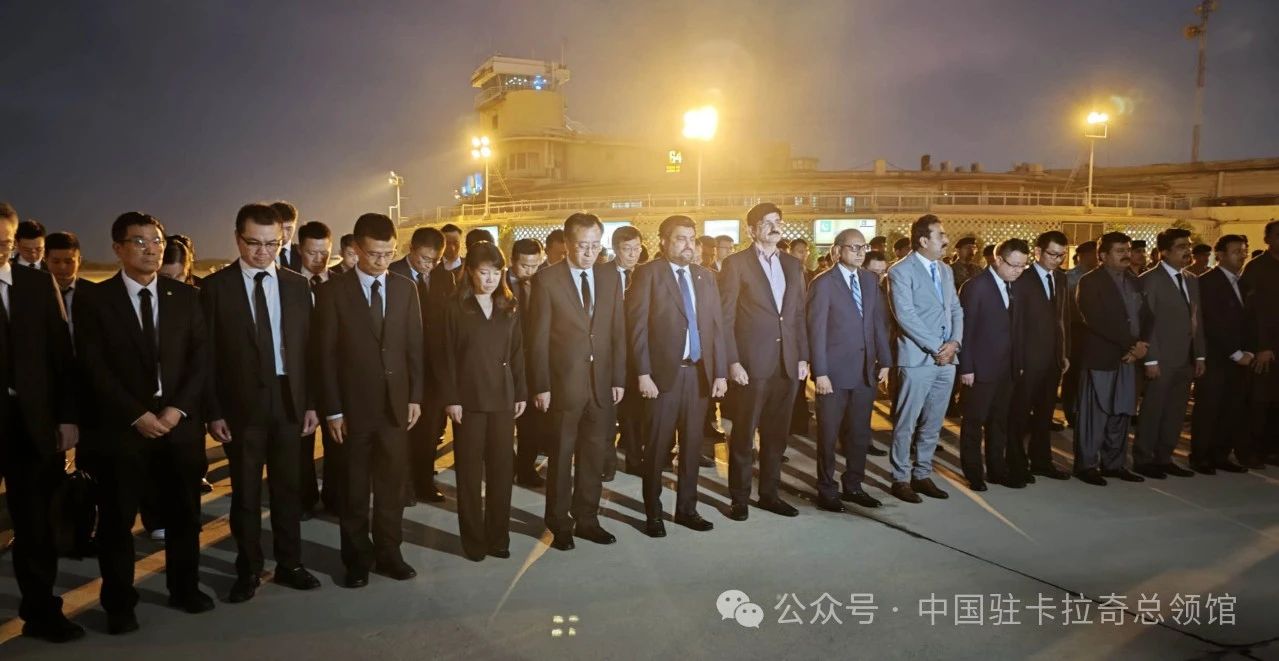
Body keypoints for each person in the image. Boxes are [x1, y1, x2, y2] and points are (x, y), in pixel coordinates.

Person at [76, 212, 214, 634]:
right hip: (122, 432)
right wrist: (137, 415)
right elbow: (93, 367)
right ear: (117, 248)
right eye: (139, 242)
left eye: (156, 240)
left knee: (185, 516)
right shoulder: (95, 300)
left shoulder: (185, 297)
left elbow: (201, 361)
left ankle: (184, 587)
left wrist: (176, 412)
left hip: (179, 429)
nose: (151, 248)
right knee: (118, 521)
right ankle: (119, 604)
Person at [202, 203, 321, 602]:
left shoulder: (296, 285)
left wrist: (311, 404)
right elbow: (208, 357)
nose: (263, 252)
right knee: (246, 495)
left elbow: (310, 351)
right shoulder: (216, 288)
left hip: (289, 401)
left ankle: (290, 564)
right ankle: (248, 569)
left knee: (289, 491)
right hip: (241, 409)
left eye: (273, 243)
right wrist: (214, 411)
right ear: (238, 238)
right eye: (254, 243)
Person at [314, 213, 424, 588]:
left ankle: (390, 554)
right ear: (357, 249)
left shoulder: (405, 288)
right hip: (351, 410)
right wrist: (332, 409)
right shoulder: (332, 292)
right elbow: (324, 356)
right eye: (375, 254)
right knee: (354, 490)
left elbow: (414, 347)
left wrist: (415, 398)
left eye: (389, 253)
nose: (382, 261)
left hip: (395, 407)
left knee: (392, 488)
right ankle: (357, 559)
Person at [0, 209, 82, 642]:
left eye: (5, 241)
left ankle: (41, 612)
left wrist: (68, 417)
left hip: (34, 425)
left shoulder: (35, 283)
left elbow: (61, 357)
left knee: (36, 526)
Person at [527, 213, 626, 550]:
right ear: (567, 244)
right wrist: (541, 385)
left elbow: (617, 331)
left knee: (594, 455)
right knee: (560, 455)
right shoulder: (547, 280)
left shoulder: (610, 277)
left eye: (595, 245)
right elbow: (537, 339)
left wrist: (617, 377)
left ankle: (587, 519)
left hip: (601, 384)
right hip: (563, 385)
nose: (589, 252)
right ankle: (558, 523)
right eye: (582, 245)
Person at [627, 215, 727, 536]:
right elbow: (637, 330)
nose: (688, 245)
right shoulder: (648, 275)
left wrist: (719, 372)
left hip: (697, 376)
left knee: (692, 447)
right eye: (681, 238)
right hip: (661, 378)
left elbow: (715, 328)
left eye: (691, 238)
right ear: (664, 242)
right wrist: (643, 373)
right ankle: (653, 513)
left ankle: (687, 508)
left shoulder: (705, 277)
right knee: (656, 449)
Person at [719, 202, 809, 520]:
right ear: (751, 230)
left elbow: (798, 315)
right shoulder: (736, 264)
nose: (775, 226)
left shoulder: (793, 265)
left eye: (778, 221)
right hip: (751, 366)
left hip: (787, 365)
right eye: (767, 222)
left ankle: (769, 494)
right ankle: (740, 498)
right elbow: (725, 318)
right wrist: (732, 362)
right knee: (744, 435)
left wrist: (803, 357)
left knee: (776, 436)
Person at [442, 241, 527, 561]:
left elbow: (518, 352)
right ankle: (473, 540)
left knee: (502, 472)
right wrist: (451, 398)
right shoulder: (455, 307)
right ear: (470, 272)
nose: (490, 279)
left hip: (503, 399)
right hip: (469, 401)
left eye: (496, 272)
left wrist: (521, 391)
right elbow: (446, 356)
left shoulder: (509, 304)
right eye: (483, 272)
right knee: (468, 473)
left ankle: (499, 537)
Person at [806, 228, 890, 510]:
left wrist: (886, 362)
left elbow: (879, 324)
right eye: (853, 247)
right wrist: (821, 373)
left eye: (862, 247)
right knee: (828, 435)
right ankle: (826, 489)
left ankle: (853, 485)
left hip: (865, 372)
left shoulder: (869, 280)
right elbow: (815, 331)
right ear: (837, 251)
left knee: (859, 435)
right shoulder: (823, 283)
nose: (859, 252)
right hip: (834, 375)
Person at [885, 214, 963, 503]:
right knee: (907, 421)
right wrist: (937, 347)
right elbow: (905, 316)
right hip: (918, 359)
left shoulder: (945, 270)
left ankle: (922, 474)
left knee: (933, 421)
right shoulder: (900, 271)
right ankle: (900, 478)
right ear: (923, 240)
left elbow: (956, 309)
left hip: (947, 359)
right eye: (940, 234)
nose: (945, 239)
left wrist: (954, 343)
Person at [1072, 232, 1148, 486]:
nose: (1126, 254)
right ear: (1103, 256)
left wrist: (1142, 345)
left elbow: (1148, 315)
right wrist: (1131, 345)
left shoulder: (1134, 280)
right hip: (1102, 357)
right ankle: (1086, 465)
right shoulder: (1090, 281)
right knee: (1096, 414)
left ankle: (1114, 464)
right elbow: (1095, 319)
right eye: (1119, 250)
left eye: (1127, 249)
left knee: (1122, 412)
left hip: (1129, 359)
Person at [957, 239, 1029, 491]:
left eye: (1023, 266)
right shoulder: (975, 287)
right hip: (979, 369)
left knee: (999, 422)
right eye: (1014, 265)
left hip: (1007, 369)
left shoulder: (1015, 287)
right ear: (998, 260)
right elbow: (965, 330)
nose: (1018, 270)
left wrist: (1018, 363)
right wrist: (966, 367)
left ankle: (997, 469)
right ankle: (973, 472)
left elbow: (1018, 330)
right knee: (974, 422)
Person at [1133, 228, 1204, 479]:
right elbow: (1147, 323)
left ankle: (1164, 457)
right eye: (1181, 246)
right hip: (1160, 359)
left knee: (1175, 410)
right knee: (1153, 410)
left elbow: (1197, 321)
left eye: (1189, 245)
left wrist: (1200, 355)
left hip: (1185, 357)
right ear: (1164, 251)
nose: (1188, 250)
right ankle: (1143, 458)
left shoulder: (1192, 279)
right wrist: (1150, 359)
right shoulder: (1151, 280)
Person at [389, 227, 450, 504]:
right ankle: (401, 487)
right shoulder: (391, 274)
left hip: (434, 370)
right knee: (400, 432)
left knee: (428, 433)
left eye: (435, 260)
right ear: (411, 249)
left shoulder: (444, 277)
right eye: (425, 259)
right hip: (400, 368)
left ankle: (424, 483)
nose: (429, 266)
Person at [1007, 231, 1072, 484]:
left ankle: (1042, 461)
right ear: (1037, 252)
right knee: (1019, 414)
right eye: (1052, 254)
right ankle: (1015, 463)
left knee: (1045, 415)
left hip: (1053, 360)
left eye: (1061, 255)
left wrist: (1064, 352)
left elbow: (1063, 319)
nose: (1057, 259)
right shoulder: (1022, 278)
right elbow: (1015, 323)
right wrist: (1018, 360)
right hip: (1027, 361)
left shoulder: (1062, 279)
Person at [1189, 234, 1252, 473]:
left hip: (1241, 358)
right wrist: (1235, 352)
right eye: (1236, 251)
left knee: (1232, 407)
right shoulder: (1207, 282)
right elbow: (1211, 322)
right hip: (1215, 357)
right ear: (1221, 255)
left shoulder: (1243, 282)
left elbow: (1249, 320)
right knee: (1209, 407)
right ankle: (1201, 456)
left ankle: (1221, 454)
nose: (1242, 255)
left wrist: (1248, 350)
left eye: (1244, 251)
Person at [295, 220, 337, 514]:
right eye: (312, 253)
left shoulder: (339, 284)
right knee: (302, 445)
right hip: (301, 377)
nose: (319, 259)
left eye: (324, 253)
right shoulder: (287, 285)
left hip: (334, 378)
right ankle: (305, 499)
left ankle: (335, 499)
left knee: (338, 444)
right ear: (300, 250)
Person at [508, 239, 549, 486]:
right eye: (524, 265)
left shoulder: (545, 282)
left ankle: (525, 468)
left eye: (535, 265)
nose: (529, 271)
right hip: (504, 362)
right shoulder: (497, 282)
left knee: (532, 425)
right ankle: (508, 464)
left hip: (534, 364)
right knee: (503, 422)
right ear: (512, 261)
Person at [1239, 220, 1279, 465]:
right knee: (1258, 403)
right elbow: (1251, 313)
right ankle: (1251, 451)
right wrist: (1262, 346)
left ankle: (1273, 450)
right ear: (1267, 239)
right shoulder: (1256, 268)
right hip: (1262, 349)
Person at [608, 225, 643, 480]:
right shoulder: (600, 274)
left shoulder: (645, 274)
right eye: (627, 249)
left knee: (633, 413)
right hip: (608, 354)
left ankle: (633, 459)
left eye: (637, 248)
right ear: (615, 249)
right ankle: (605, 463)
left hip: (635, 354)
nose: (633, 254)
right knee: (607, 413)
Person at [1061, 240, 1099, 428]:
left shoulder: (1100, 276)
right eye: (1093, 253)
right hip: (1076, 331)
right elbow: (1066, 309)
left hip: (1094, 333)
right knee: (1073, 375)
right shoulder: (1070, 277)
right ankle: (1071, 413)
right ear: (1083, 255)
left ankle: (1086, 411)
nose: (1097, 257)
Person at [271, 201, 301, 271]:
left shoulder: (304, 253)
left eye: (288, 229)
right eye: (280, 228)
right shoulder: (261, 253)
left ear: (295, 226)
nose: (284, 234)